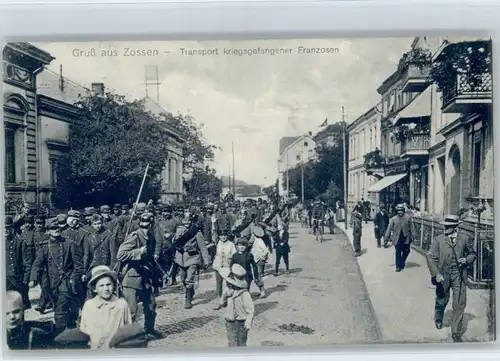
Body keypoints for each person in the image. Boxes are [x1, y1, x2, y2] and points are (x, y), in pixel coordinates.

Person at [426, 215, 476, 342]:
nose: (445, 228)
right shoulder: (438, 240)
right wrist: (436, 273)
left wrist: (467, 259)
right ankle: (439, 317)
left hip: (459, 274)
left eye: (448, 226)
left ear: (455, 227)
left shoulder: (465, 238)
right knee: (442, 299)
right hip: (443, 275)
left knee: (459, 302)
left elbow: (472, 253)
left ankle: (456, 332)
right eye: (445, 226)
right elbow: (431, 257)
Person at [29, 218, 83, 335]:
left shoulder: (69, 244)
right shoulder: (44, 247)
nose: (56, 230)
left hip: (67, 282)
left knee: (61, 310)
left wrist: (73, 279)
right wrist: (33, 278)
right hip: (52, 284)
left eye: (57, 228)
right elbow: (37, 264)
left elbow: (78, 266)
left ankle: (61, 336)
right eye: (53, 228)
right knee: (63, 309)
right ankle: (68, 332)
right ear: (48, 231)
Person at [116, 212, 163, 340]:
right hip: (131, 279)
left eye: (148, 225)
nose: (145, 228)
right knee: (132, 310)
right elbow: (120, 255)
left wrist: (160, 272)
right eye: (143, 225)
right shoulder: (134, 237)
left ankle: (149, 330)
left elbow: (151, 259)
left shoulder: (151, 237)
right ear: (140, 224)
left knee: (151, 306)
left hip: (145, 277)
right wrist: (138, 252)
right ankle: (129, 335)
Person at [79, 265, 132, 349]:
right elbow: (84, 332)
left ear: (113, 286)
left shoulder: (121, 304)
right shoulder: (89, 306)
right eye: (101, 285)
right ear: (94, 289)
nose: (106, 288)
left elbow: (128, 330)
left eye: (108, 284)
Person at [219, 264, 255, 347]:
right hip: (230, 321)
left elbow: (251, 310)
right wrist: (224, 296)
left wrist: (248, 322)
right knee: (232, 343)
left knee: (241, 342)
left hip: (241, 322)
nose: (227, 283)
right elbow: (222, 304)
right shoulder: (228, 291)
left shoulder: (244, 294)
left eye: (229, 282)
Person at [383, 204, 416, 271]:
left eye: (401, 210)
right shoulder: (394, 219)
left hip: (406, 238)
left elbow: (412, 227)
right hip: (397, 238)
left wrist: (414, 235)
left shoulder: (408, 217)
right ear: (397, 211)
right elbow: (389, 228)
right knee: (398, 252)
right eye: (399, 211)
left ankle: (402, 262)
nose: (400, 212)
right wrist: (386, 238)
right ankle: (398, 266)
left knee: (407, 251)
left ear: (403, 211)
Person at [212, 227, 236, 310]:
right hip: (218, 267)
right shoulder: (217, 243)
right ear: (219, 236)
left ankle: (227, 300)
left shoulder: (231, 244)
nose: (223, 237)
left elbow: (234, 256)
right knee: (219, 284)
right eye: (221, 235)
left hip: (227, 267)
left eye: (225, 235)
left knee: (229, 284)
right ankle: (218, 301)